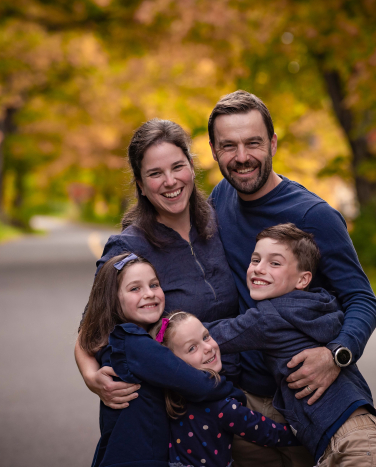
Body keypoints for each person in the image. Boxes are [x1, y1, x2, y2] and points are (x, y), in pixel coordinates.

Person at [207, 90, 376, 466]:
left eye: (253, 143)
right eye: (228, 146)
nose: (242, 157)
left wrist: (335, 354)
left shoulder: (314, 215)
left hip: (308, 401)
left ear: (272, 143)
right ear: (213, 150)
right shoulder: (220, 197)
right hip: (247, 403)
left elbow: (363, 300)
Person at [74, 119, 240, 410]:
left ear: (191, 166)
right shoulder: (128, 246)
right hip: (188, 412)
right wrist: (92, 378)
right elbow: (90, 330)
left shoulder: (220, 222)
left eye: (177, 167)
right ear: (140, 183)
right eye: (155, 173)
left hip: (246, 392)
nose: (170, 181)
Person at [209, 224, 376, 466]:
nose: (259, 269)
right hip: (363, 436)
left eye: (275, 263)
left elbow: (209, 338)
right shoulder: (322, 303)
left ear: (303, 279)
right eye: (255, 259)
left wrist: (165, 327)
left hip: (355, 448)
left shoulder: (267, 318)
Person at [78, 252, 244, 467]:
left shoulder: (119, 341)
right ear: (113, 299)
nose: (149, 294)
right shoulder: (133, 342)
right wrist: (235, 395)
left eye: (154, 285)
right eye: (135, 288)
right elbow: (196, 383)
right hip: (138, 459)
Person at [149, 310, 298, 467]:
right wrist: (305, 434)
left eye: (206, 336)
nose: (207, 347)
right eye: (192, 348)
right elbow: (268, 432)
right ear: (173, 364)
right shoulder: (222, 405)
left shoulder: (162, 394)